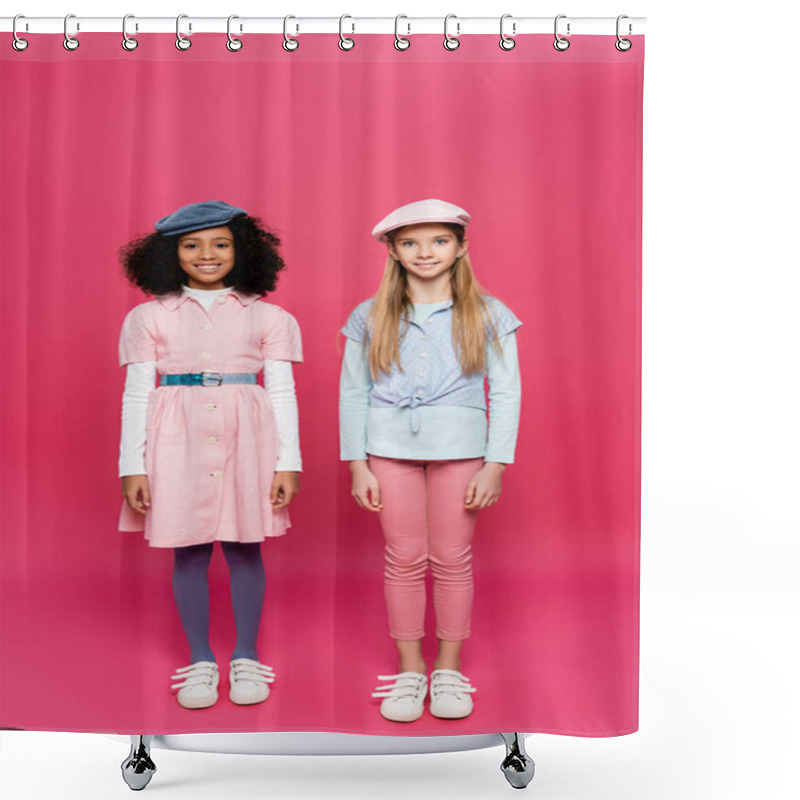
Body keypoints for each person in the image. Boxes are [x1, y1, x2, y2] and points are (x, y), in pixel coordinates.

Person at [339, 199, 522, 722]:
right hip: (388, 451)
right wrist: (357, 462)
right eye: (411, 242)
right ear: (393, 252)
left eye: (439, 241)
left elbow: (506, 393)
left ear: (460, 247)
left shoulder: (489, 313)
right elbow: (353, 392)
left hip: (462, 450)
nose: (426, 252)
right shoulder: (368, 316)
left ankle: (448, 667)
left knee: (451, 557)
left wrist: (495, 464)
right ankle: (410, 667)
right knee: (403, 557)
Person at [117, 201, 302, 710]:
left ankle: (245, 655)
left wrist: (290, 461)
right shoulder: (148, 316)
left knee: (245, 546)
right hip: (175, 437)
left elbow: (282, 392)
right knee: (189, 549)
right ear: (169, 254)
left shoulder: (269, 315)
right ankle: (199, 659)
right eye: (191, 244)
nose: (207, 254)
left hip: (250, 437)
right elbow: (136, 394)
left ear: (243, 251)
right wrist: (132, 465)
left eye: (221, 243)